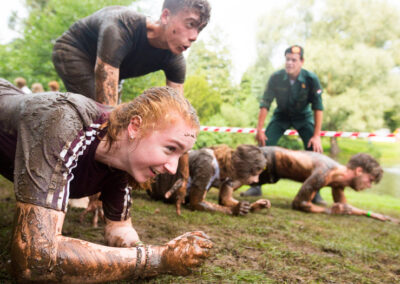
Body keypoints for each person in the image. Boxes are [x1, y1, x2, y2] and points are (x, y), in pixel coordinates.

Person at [0, 78, 212, 282]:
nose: (173, 168)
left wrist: (142, 249)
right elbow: (33, 257)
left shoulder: (122, 163)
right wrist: (155, 259)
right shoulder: (67, 122)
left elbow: (119, 229)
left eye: (180, 155)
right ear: (135, 127)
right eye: (170, 149)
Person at [52, 0, 211, 105]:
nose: (195, 37)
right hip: (74, 50)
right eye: (190, 24)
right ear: (165, 16)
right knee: (98, 114)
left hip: (113, 70)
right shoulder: (122, 26)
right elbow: (107, 108)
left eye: (200, 29)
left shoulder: (175, 60)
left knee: (114, 120)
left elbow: (178, 108)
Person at [242, 45, 325, 204]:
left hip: (303, 117)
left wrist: (316, 136)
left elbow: (318, 108)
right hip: (281, 116)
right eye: (287, 59)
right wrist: (260, 130)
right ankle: (256, 184)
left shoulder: (311, 79)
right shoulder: (276, 77)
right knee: (264, 146)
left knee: (315, 151)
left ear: (301, 61)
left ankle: (315, 192)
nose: (289, 63)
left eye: (294, 60)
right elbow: (265, 103)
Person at [249, 146, 399, 223]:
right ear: (359, 171)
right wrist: (327, 211)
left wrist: (374, 215)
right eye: (370, 180)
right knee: (228, 183)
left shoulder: (338, 183)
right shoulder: (325, 172)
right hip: (266, 158)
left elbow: (344, 208)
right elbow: (299, 203)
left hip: (272, 170)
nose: (369, 185)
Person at [148, 144, 271, 216]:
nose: (256, 180)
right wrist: (229, 211)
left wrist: (250, 207)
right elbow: (196, 203)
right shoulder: (208, 163)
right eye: (255, 174)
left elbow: (225, 200)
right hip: (155, 187)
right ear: (245, 169)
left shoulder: (228, 169)